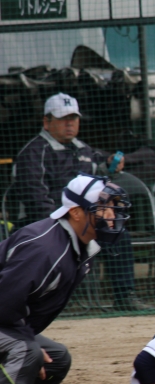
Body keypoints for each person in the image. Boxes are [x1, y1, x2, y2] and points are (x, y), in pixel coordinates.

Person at [0, 173, 130, 384]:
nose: (112, 215)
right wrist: (27, 343)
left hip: (6, 318)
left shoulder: (81, 245)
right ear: (76, 212)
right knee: (25, 351)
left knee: (56, 358)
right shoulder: (45, 249)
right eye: (104, 208)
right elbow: (4, 305)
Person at [10, 93, 147, 311]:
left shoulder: (83, 149)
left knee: (116, 232)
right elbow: (35, 199)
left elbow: (100, 165)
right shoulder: (33, 153)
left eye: (73, 118)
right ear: (47, 122)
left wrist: (111, 162)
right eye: (63, 118)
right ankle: (49, 300)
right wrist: (64, 223)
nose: (70, 123)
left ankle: (124, 297)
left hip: (80, 221)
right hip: (42, 224)